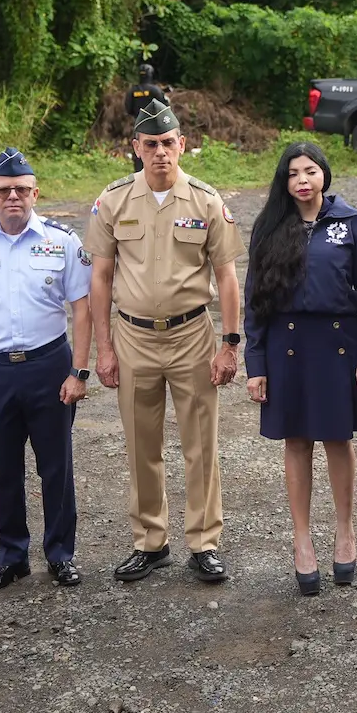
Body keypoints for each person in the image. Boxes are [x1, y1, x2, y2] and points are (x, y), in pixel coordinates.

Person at [86, 100, 244, 585]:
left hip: (192, 335)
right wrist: (104, 348)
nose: (160, 152)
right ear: (135, 148)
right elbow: (101, 277)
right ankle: (150, 541)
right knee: (140, 444)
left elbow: (228, 276)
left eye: (168, 143)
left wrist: (230, 343)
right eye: (150, 144)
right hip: (133, 337)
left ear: (182, 145)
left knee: (200, 443)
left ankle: (203, 542)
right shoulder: (112, 201)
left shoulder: (205, 201)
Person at [0, 149, 92, 592]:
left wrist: (79, 372)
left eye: (21, 190)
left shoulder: (62, 241)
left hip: (49, 366)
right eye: (4, 190)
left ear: (35, 194)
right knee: (4, 468)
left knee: (55, 467)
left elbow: (81, 310)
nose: (13, 197)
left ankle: (60, 555)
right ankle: (11, 557)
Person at [243, 142, 357, 596]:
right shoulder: (269, 227)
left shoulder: (352, 224)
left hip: (338, 344)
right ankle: (302, 541)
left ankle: (345, 531)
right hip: (286, 347)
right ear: (284, 182)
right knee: (297, 441)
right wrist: (256, 364)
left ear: (324, 174)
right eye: (292, 173)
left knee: (338, 439)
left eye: (310, 171)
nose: (302, 180)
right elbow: (255, 302)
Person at [124, 64, 170, 170]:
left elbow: (128, 109)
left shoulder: (132, 91)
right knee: (157, 149)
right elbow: (165, 108)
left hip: (139, 124)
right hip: (155, 125)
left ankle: (139, 173)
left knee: (139, 149)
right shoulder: (155, 90)